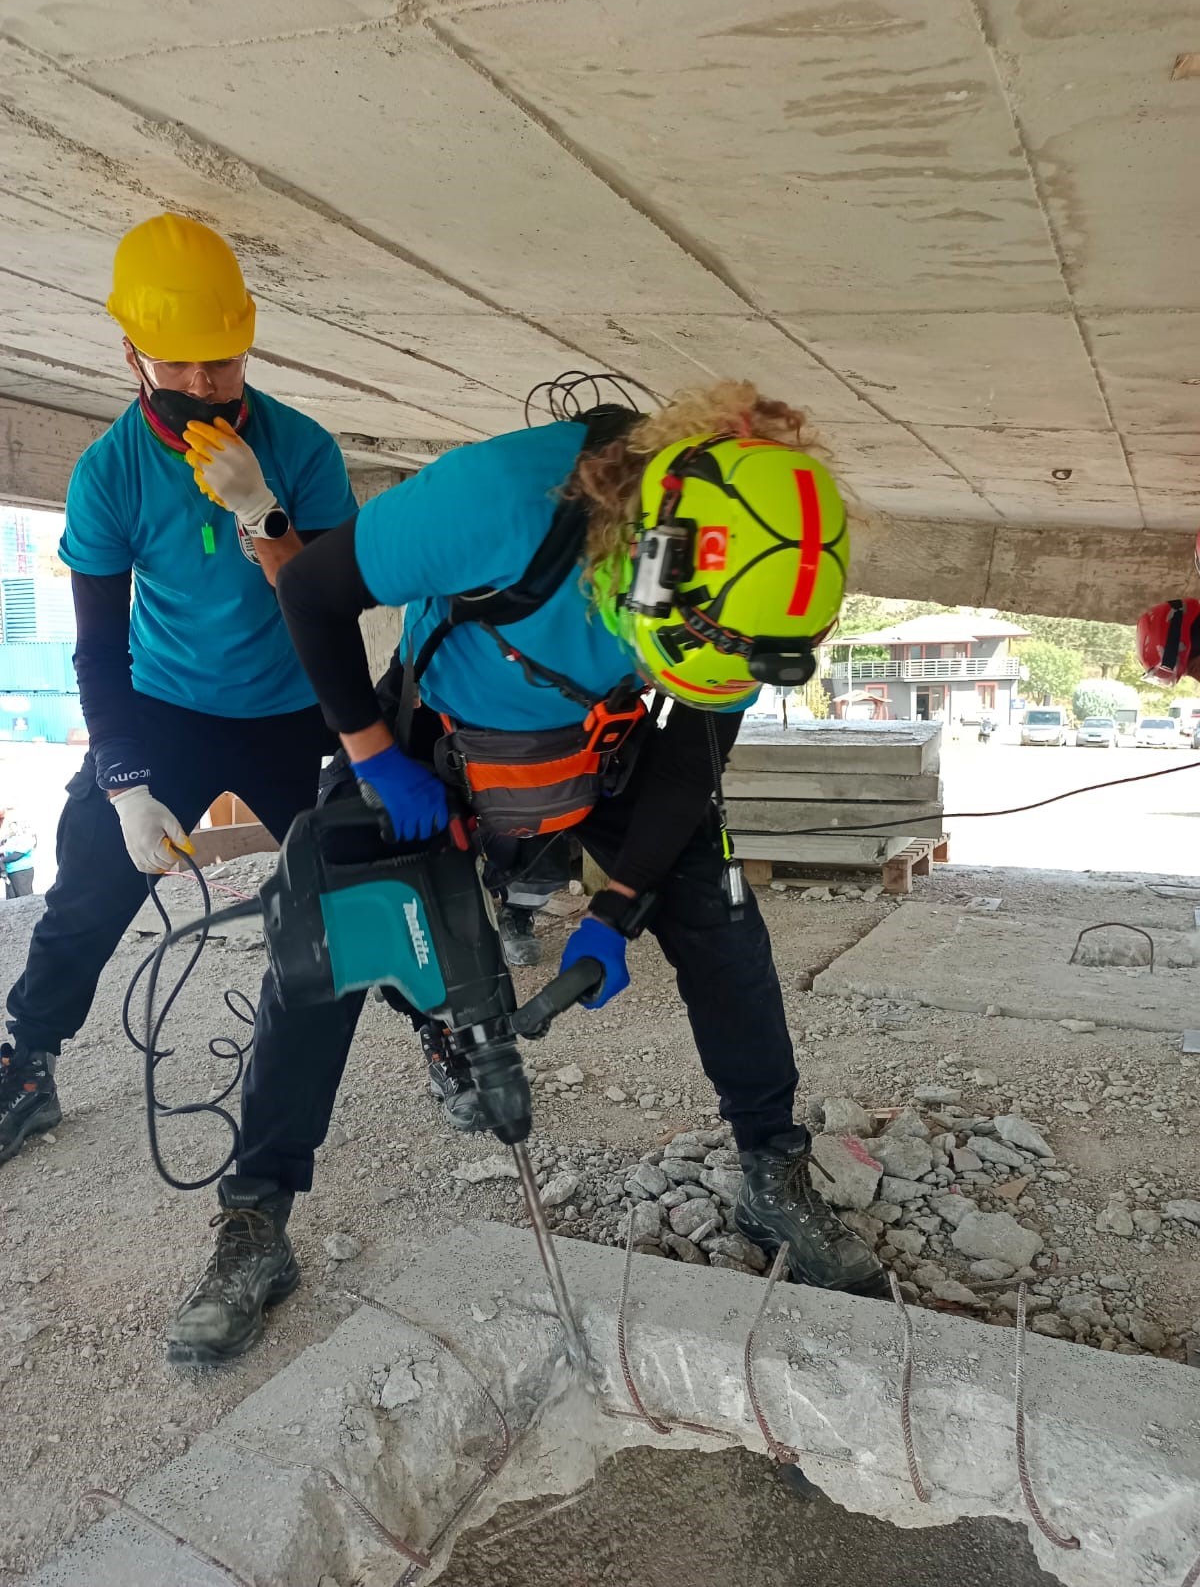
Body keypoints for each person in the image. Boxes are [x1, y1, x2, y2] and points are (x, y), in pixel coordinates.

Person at [165, 378, 890, 1367]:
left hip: (611, 749)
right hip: (441, 744)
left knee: (718, 912)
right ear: (648, 549)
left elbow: (692, 754)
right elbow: (311, 591)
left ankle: (771, 1168)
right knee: (325, 929)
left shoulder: (751, 590)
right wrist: (375, 753)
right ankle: (255, 1219)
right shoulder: (500, 500)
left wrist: (621, 903)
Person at [0, 212, 357, 1171]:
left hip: (293, 702)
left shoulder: (305, 449)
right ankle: (28, 1058)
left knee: (368, 875)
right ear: (134, 354)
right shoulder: (108, 474)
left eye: (226, 361)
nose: (208, 383)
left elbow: (330, 604)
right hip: (167, 707)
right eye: (183, 362)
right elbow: (98, 649)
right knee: (88, 887)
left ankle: (447, 1036)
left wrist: (260, 509)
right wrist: (122, 779)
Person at [0, 808, 36, 898]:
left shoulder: (27, 836)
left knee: (24, 897)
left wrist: (2, 860)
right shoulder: (10, 838)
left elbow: (17, 855)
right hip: (10, 872)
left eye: (13, 824)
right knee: (12, 899)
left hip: (22, 872)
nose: (10, 827)